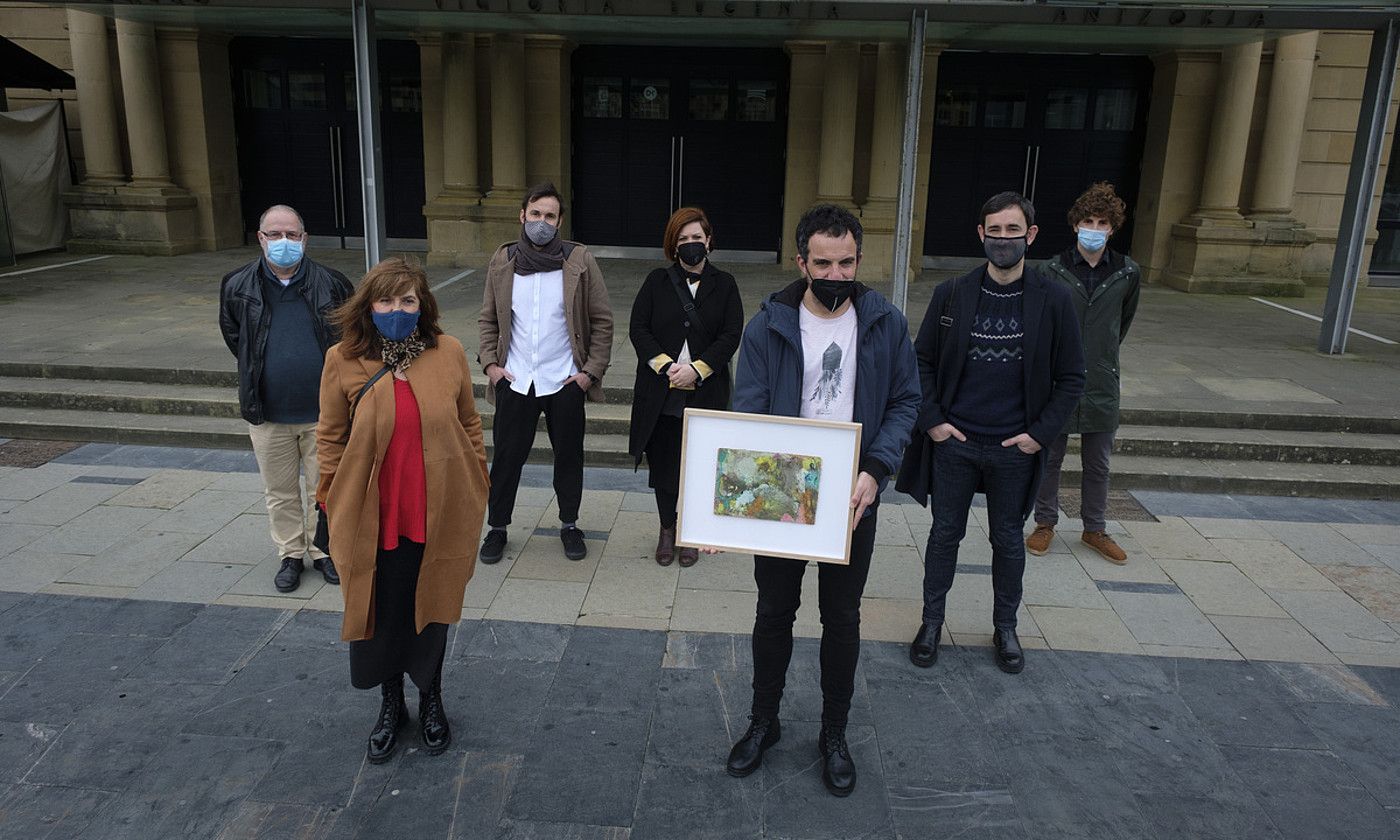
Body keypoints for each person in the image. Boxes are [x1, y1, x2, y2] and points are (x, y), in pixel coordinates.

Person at [724, 205, 920, 797]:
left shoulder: (885, 323)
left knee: (842, 618)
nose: (836, 274)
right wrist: (729, 500)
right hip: (783, 493)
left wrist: (877, 469)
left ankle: (834, 732)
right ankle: (765, 720)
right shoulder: (769, 325)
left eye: (847, 262)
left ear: (859, 260)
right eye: (824, 263)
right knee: (773, 613)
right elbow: (748, 411)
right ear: (801, 260)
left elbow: (905, 402)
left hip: (853, 496)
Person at [897, 191, 1084, 675]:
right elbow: (922, 361)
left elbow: (1072, 377)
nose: (1004, 239)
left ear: (1031, 235)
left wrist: (1039, 436)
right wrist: (934, 421)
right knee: (944, 536)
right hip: (956, 443)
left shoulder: (1055, 299)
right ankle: (932, 622)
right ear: (981, 234)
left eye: (1013, 231)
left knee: (1007, 539)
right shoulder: (952, 293)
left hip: (1014, 448)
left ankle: (1005, 627)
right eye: (995, 231)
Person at [316, 257, 489, 764]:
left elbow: (469, 422)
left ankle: (432, 699)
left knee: (431, 610)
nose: (397, 309)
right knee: (383, 613)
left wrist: (479, 477)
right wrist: (328, 500)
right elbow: (330, 438)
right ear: (369, 305)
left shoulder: (449, 352)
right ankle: (391, 706)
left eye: (408, 300)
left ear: (423, 305)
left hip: (436, 512)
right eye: (387, 300)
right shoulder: (343, 359)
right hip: (373, 515)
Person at [219, 204, 353, 593]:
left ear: (304, 239)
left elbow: (348, 341)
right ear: (261, 238)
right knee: (279, 491)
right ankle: (290, 554)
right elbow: (237, 340)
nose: (283, 242)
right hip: (268, 412)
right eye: (274, 235)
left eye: (291, 235)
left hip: (324, 413)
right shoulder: (237, 285)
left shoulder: (333, 283)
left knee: (324, 488)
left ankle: (323, 550)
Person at [477, 183, 614, 565]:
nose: (541, 222)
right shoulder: (503, 261)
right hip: (516, 379)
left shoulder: (579, 260)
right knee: (506, 458)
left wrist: (589, 372)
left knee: (569, 457)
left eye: (549, 216)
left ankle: (569, 525)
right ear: (522, 215)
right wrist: (491, 366)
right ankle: (498, 528)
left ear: (560, 221)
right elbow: (489, 318)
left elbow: (602, 321)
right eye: (535, 214)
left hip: (564, 380)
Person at [1028, 182, 1141, 565]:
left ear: (1113, 228)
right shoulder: (1051, 271)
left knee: (1098, 462)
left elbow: (1120, 323)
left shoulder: (1127, 272)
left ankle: (1095, 528)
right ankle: (1044, 522)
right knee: (1050, 456)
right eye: (1088, 220)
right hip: (1059, 379)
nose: (1095, 227)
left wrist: (1103, 356)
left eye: (1103, 222)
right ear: (1076, 225)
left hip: (1102, 380)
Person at [628, 207, 744, 567]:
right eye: (683, 240)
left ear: (708, 241)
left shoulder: (725, 284)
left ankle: (690, 532)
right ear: (673, 246)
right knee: (664, 465)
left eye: (697, 237)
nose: (691, 244)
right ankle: (667, 528)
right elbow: (638, 329)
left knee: (699, 465)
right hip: (661, 390)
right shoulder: (656, 282)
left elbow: (730, 334)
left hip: (705, 390)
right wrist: (667, 368)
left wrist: (697, 369)